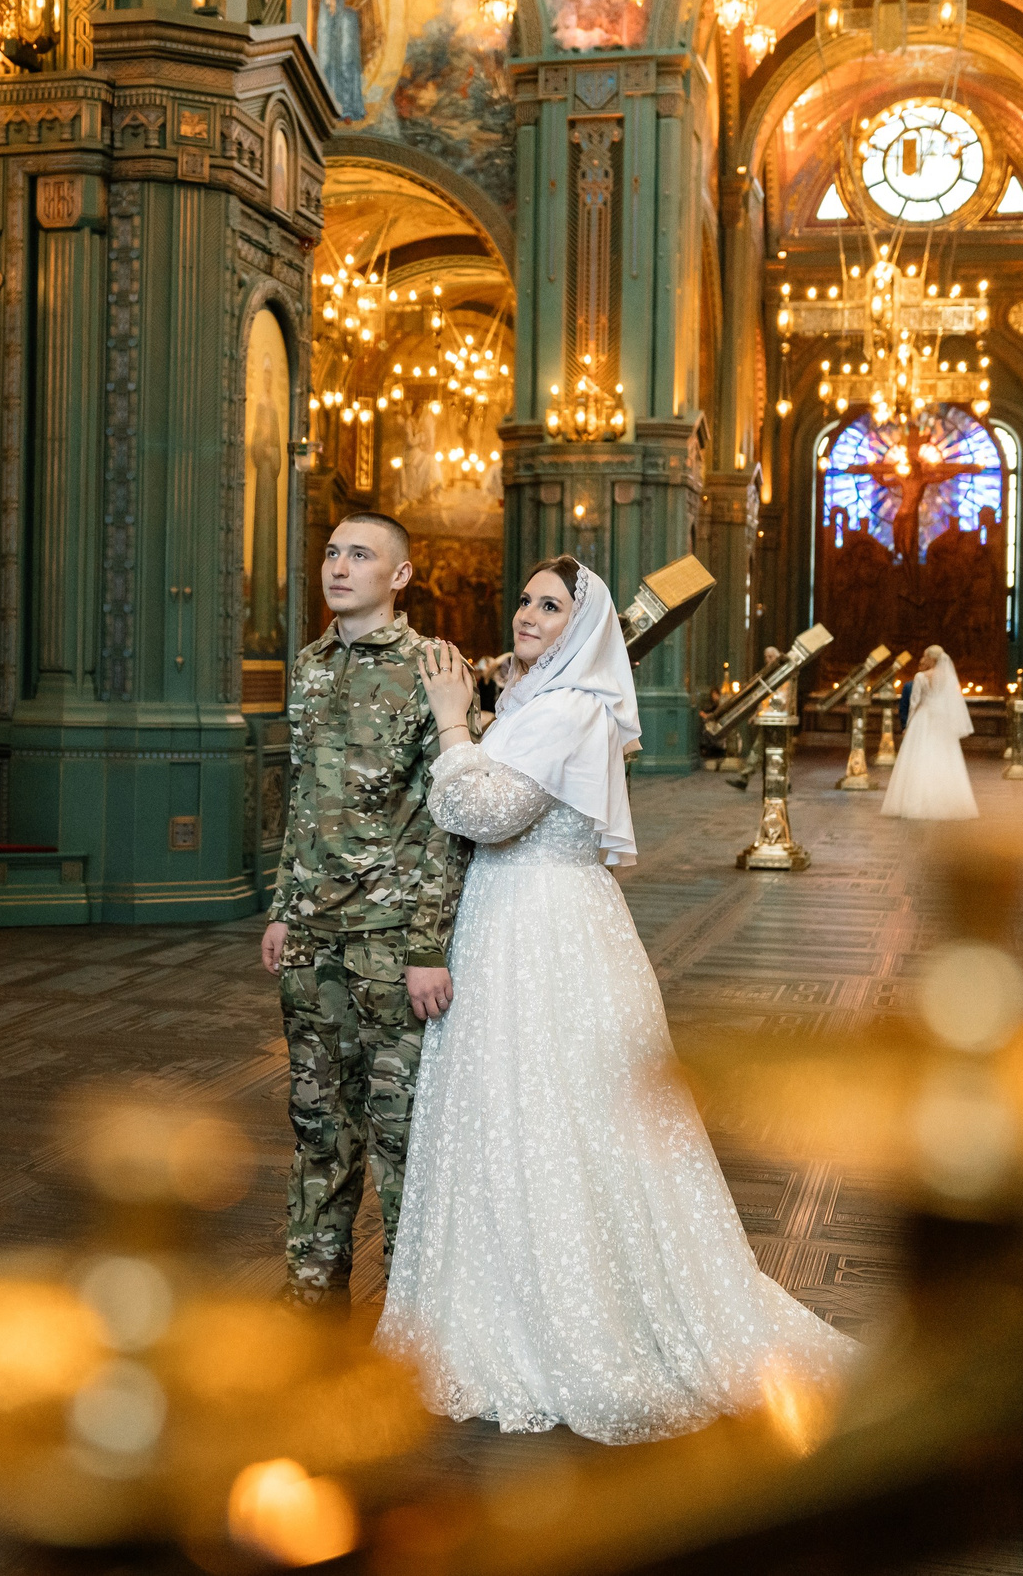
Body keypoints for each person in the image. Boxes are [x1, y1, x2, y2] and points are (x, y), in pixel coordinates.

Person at [379, 556, 857, 1444]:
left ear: (584, 628)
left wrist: (454, 726)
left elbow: (485, 813)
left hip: (540, 926)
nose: (527, 614)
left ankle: (568, 1315)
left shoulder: (566, 710)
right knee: (517, 1111)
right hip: (519, 918)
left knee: (549, 1111)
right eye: (522, 599)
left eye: (550, 607)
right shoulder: (542, 705)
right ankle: (509, 1296)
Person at [261, 512, 467, 1312]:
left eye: (360, 555)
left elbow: (450, 817)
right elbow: (303, 803)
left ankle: (418, 1314)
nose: (338, 567)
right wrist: (284, 906)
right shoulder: (310, 667)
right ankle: (310, 1294)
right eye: (331, 552)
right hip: (311, 935)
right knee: (316, 1124)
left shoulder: (432, 668)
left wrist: (427, 946)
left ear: (401, 576)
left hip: (390, 943)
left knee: (401, 1136)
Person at [881, 645, 980, 820]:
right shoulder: (949, 677)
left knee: (920, 756)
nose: (923, 659)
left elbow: (914, 702)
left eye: (925, 656)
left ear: (931, 659)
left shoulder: (921, 677)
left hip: (924, 718)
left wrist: (908, 724)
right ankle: (948, 802)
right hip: (942, 720)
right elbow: (952, 702)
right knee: (944, 757)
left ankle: (917, 802)